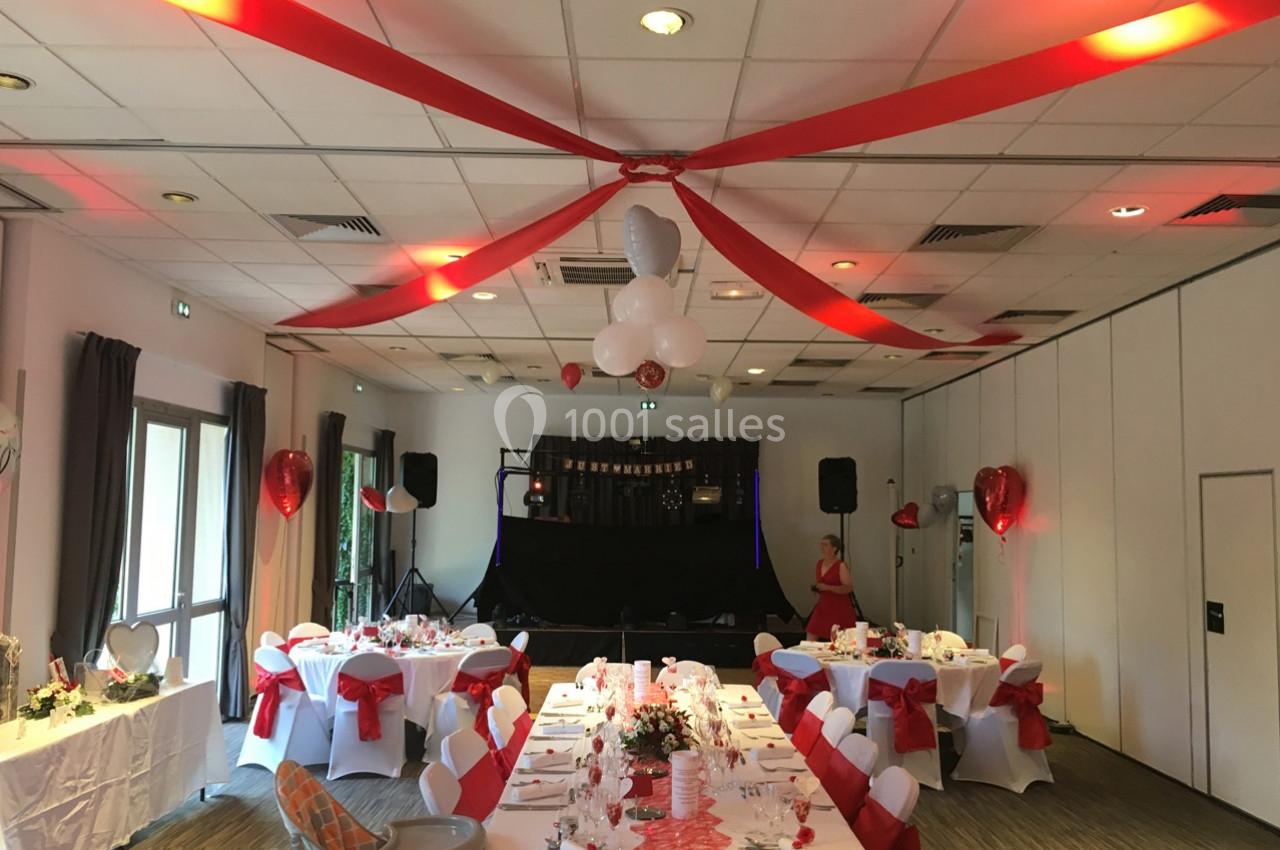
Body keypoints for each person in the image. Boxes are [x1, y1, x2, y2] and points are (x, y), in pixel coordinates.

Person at [806, 533, 856, 641]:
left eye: (825, 545)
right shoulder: (819, 563)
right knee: (811, 632)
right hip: (823, 605)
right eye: (821, 544)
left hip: (839, 607)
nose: (821, 547)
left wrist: (828, 587)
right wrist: (817, 588)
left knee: (839, 640)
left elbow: (848, 587)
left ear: (834, 548)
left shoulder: (840, 565)